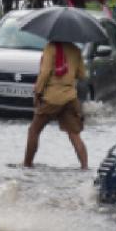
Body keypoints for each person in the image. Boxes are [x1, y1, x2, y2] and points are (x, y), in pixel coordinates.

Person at [24, 40, 89, 170]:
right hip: (70, 98)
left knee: (34, 130)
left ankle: (27, 165)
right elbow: (82, 75)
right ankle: (85, 167)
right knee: (74, 134)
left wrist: (37, 92)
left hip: (51, 98)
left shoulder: (51, 48)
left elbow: (44, 73)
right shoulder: (76, 49)